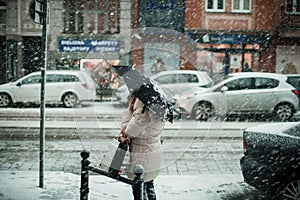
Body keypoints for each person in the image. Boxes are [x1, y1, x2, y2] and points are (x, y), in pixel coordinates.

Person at [117, 95, 165, 200]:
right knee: (149, 186)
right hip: (152, 151)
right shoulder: (158, 107)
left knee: (138, 188)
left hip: (141, 154)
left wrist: (130, 110)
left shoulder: (143, 109)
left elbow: (129, 131)